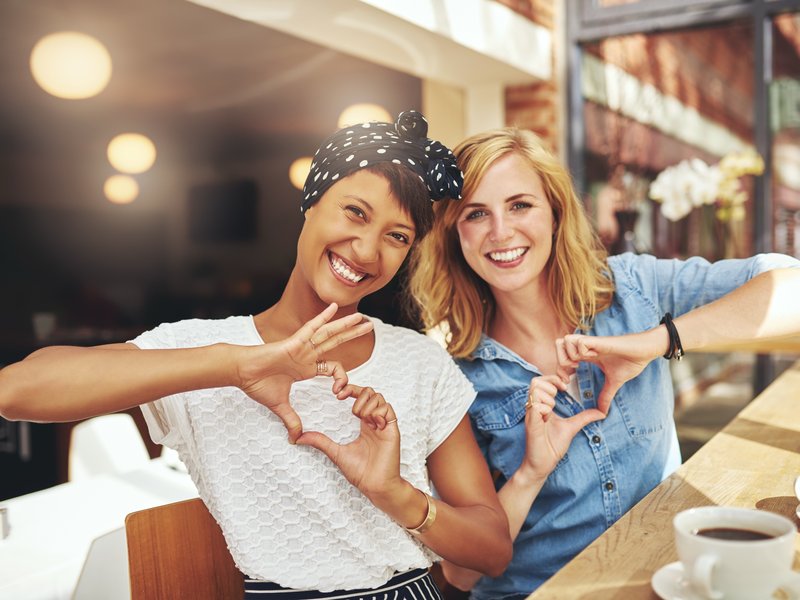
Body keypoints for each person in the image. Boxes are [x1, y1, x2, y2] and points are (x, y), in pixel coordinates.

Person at [0, 111, 513, 599]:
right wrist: (238, 364)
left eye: (396, 236)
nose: (366, 250)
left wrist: (394, 493)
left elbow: (491, 550)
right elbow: (18, 390)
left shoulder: (419, 361)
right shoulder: (200, 347)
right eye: (355, 212)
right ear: (310, 203)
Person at [407, 126, 800, 598]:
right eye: (476, 213)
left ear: (555, 212)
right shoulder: (453, 375)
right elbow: (461, 573)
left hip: (660, 574)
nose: (501, 231)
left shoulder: (634, 289)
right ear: (455, 232)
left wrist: (661, 339)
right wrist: (532, 471)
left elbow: (791, 286)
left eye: (519, 205)